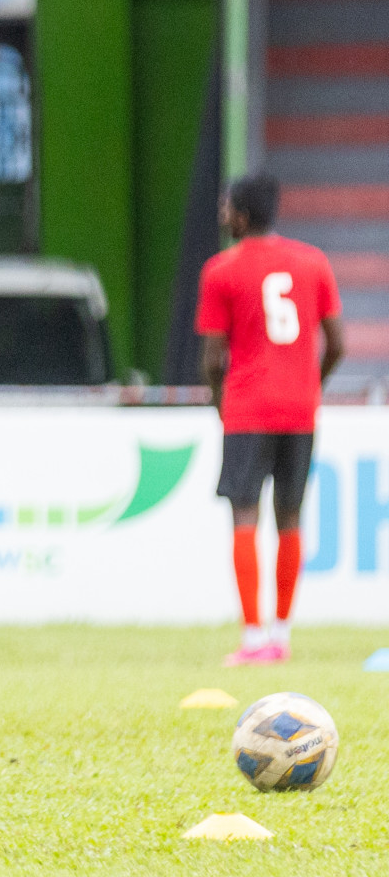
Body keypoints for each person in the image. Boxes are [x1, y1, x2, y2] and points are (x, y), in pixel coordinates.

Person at [197, 174, 343, 667]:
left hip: (247, 408)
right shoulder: (313, 262)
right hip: (300, 409)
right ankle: (280, 635)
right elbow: (338, 344)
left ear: (240, 215)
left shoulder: (221, 270)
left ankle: (253, 637)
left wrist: (222, 403)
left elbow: (213, 360)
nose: (221, 215)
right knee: (291, 517)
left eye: (225, 207)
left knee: (244, 515)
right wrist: (310, 385)